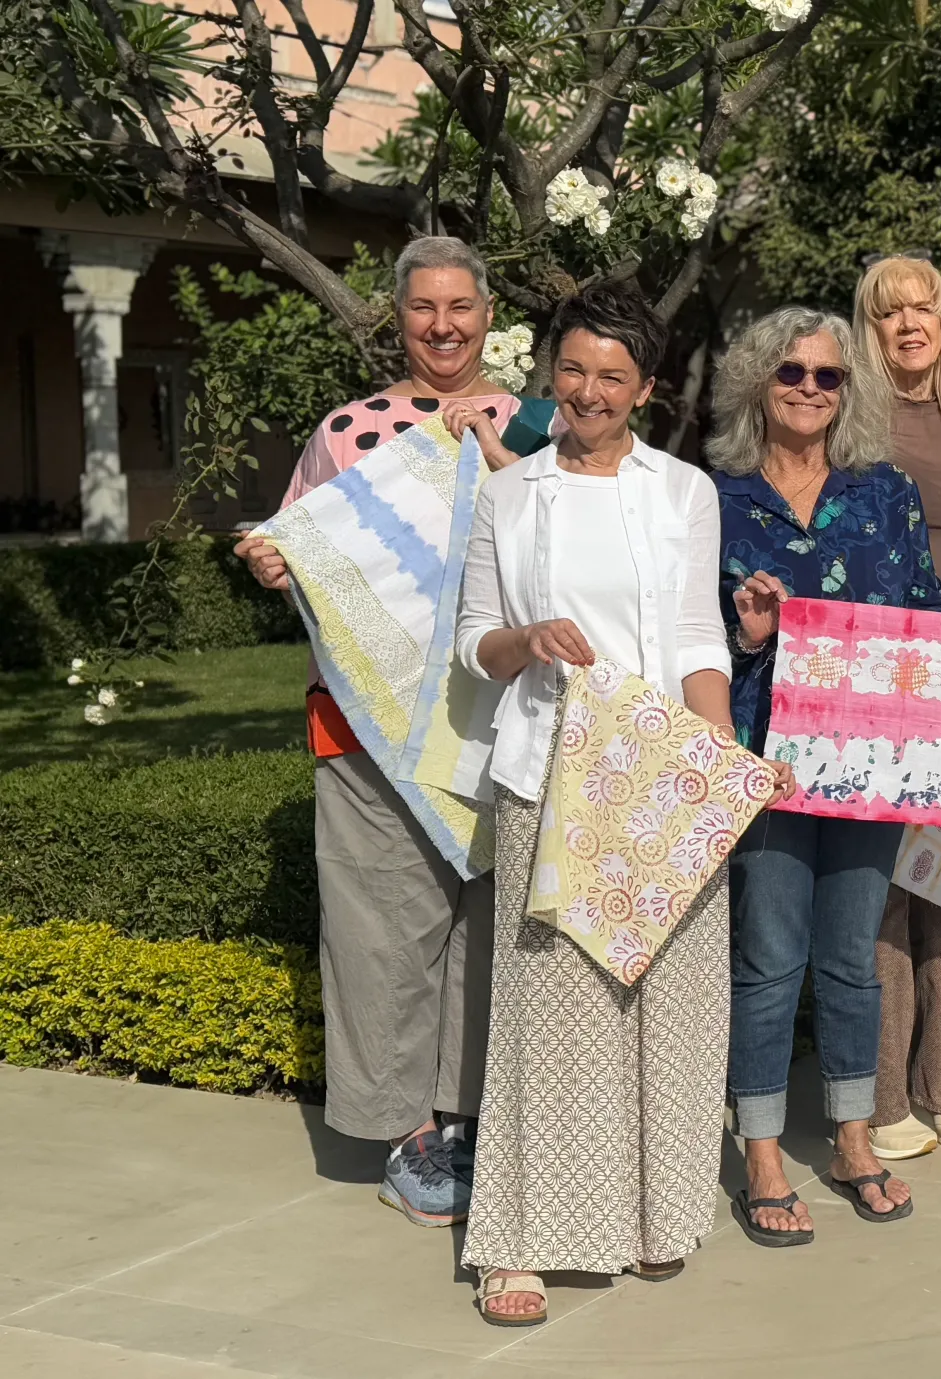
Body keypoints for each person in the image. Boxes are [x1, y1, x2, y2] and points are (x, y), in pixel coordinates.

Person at [452, 284, 746, 1324]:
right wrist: (525, 640)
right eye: (572, 370)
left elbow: (699, 635)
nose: (587, 392)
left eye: (612, 376)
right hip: (551, 775)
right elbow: (473, 640)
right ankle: (518, 1241)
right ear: (551, 373)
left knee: (668, 1006)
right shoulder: (510, 493)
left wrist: (720, 752)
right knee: (551, 1014)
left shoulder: (683, 491)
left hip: (662, 781)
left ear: (646, 389)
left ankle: (652, 1214)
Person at [230, 236, 523, 1229]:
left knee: (488, 926)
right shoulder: (349, 431)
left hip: (503, 722)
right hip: (366, 728)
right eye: (422, 308)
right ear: (398, 320)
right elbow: (298, 542)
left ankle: (470, 1118)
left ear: (489, 316)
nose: (443, 326)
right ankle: (405, 1135)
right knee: (382, 930)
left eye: (460, 306)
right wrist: (272, 561)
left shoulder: (534, 424)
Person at [712, 306, 941, 1241]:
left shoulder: (885, 493)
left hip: (869, 764)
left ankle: (852, 1135)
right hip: (766, 762)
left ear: (849, 391)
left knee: (850, 958)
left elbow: (925, 610)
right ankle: (763, 1152)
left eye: (828, 375)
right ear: (758, 383)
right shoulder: (715, 499)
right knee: (769, 960)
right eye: (790, 372)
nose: (809, 388)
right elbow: (685, 635)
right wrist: (744, 634)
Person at [847, 255, 941, 1161]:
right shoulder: (850, 420)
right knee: (887, 891)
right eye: (889, 312)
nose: (909, 325)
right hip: (876, 677)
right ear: (869, 329)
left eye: (924, 308)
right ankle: (883, 1094)